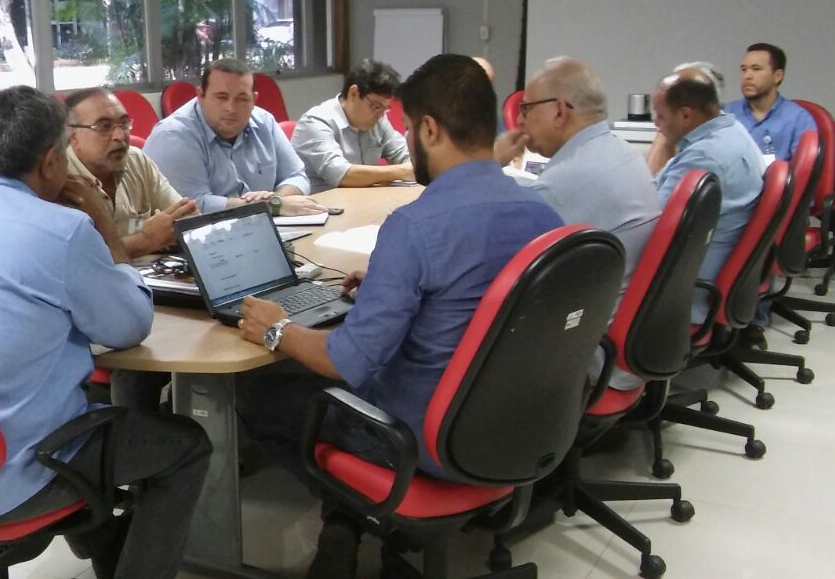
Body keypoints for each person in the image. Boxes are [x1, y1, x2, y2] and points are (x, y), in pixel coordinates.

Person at [235, 54, 563, 579]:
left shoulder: (415, 227)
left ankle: (358, 514)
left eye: (408, 128)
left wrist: (276, 327)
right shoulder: (544, 214)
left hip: (425, 439)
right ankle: (347, 521)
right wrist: (390, 281)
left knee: (259, 396)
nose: (406, 139)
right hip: (521, 427)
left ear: (429, 129)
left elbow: (346, 361)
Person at [0, 86, 211, 579]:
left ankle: (102, 538)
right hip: (18, 467)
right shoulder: (62, 231)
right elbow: (129, 326)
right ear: (50, 162)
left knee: (85, 407)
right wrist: (104, 227)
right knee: (187, 445)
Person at [497, 57, 660, 389]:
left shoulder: (563, 186)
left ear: (559, 111)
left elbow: (493, 261)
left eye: (526, 109)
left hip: (585, 354)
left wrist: (486, 167)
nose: (520, 120)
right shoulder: (621, 152)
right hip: (626, 339)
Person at [647, 68, 764, 321]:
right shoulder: (732, 130)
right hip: (711, 265)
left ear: (686, 115)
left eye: (661, 116)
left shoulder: (705, 158)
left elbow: (652, 227)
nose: (656, 124)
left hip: (684, 288)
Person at [144, 57, 326, 215]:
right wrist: (268, 206)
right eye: (221, 97)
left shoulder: (264, 122)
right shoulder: (173, 136)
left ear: (254, 100)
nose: (231, 108)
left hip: (262, 227)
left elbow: (297, 175)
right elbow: (191, 207)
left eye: (242, 99)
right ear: (201, 95)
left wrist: (277, 199)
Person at [64, 87, 198, 259]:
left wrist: (165, 234)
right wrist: (146, 240)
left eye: (124, 123)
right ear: (73, 136)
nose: (120, 136)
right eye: (104, 126)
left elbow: (187, 222)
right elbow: (80, 259)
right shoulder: (60, 178)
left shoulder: (136, 160)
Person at [290, 59, 413, 191]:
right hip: (321, 201)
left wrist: (412, 165)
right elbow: (341, 175)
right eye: (376, 107)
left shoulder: (379, 120)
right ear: (353, 93)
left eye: (386, 108)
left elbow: (404, 154)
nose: (380, 115)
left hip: (362, 198)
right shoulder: (315, 122)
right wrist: (402, 171)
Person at [724, 43, 816, 161]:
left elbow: (804, 167)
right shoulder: (726, 115)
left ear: (778, 76)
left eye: (756, 69)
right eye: (744, 69)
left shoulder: (799, 120)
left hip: (779, 173)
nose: (747, 76)